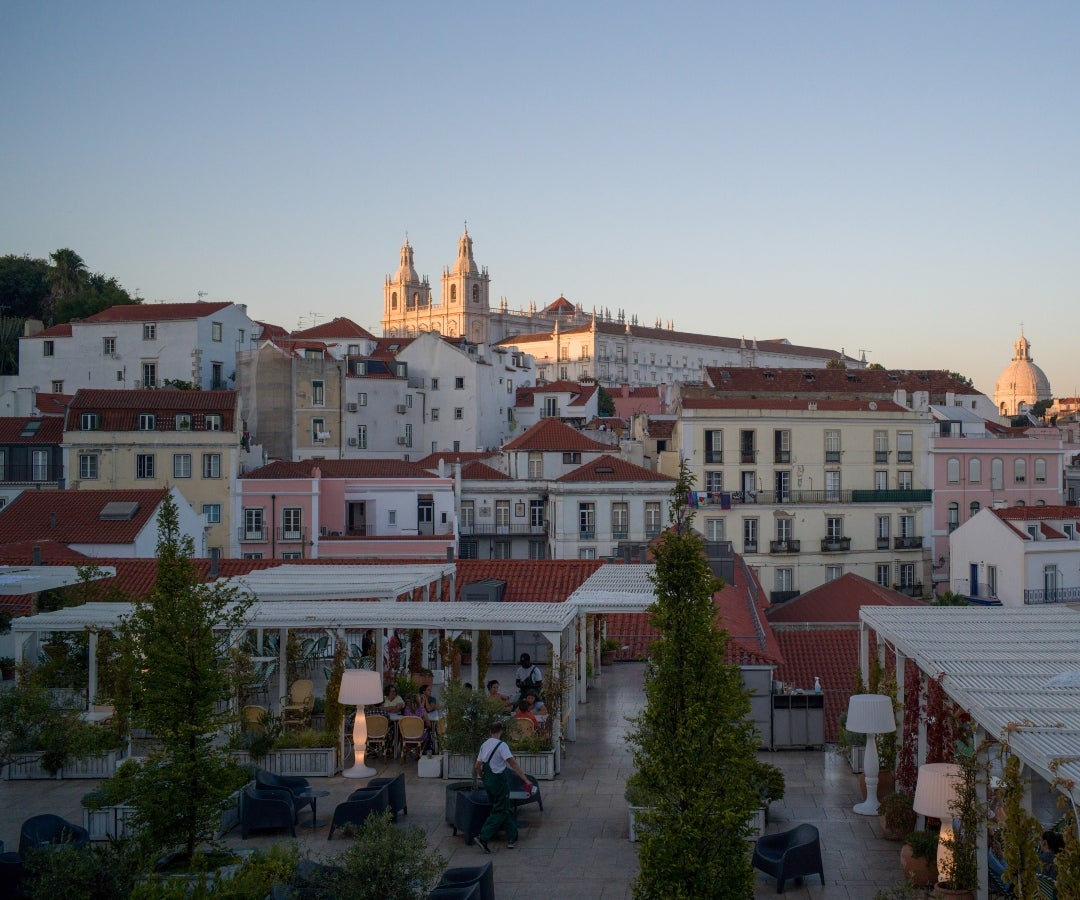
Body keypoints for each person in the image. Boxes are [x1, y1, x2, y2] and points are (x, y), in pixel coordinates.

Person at [474, 721, 531, 852]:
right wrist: (525, 780)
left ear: (490, 731)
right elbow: (513, 764)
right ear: (501, 731)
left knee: (504, 808)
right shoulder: (502, 746)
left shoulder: (484, 744)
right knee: (500, 810)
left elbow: (477, 766)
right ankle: (483, 836)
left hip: (488, 780)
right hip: (499, 781)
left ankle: (512, 837)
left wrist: (483, 777)